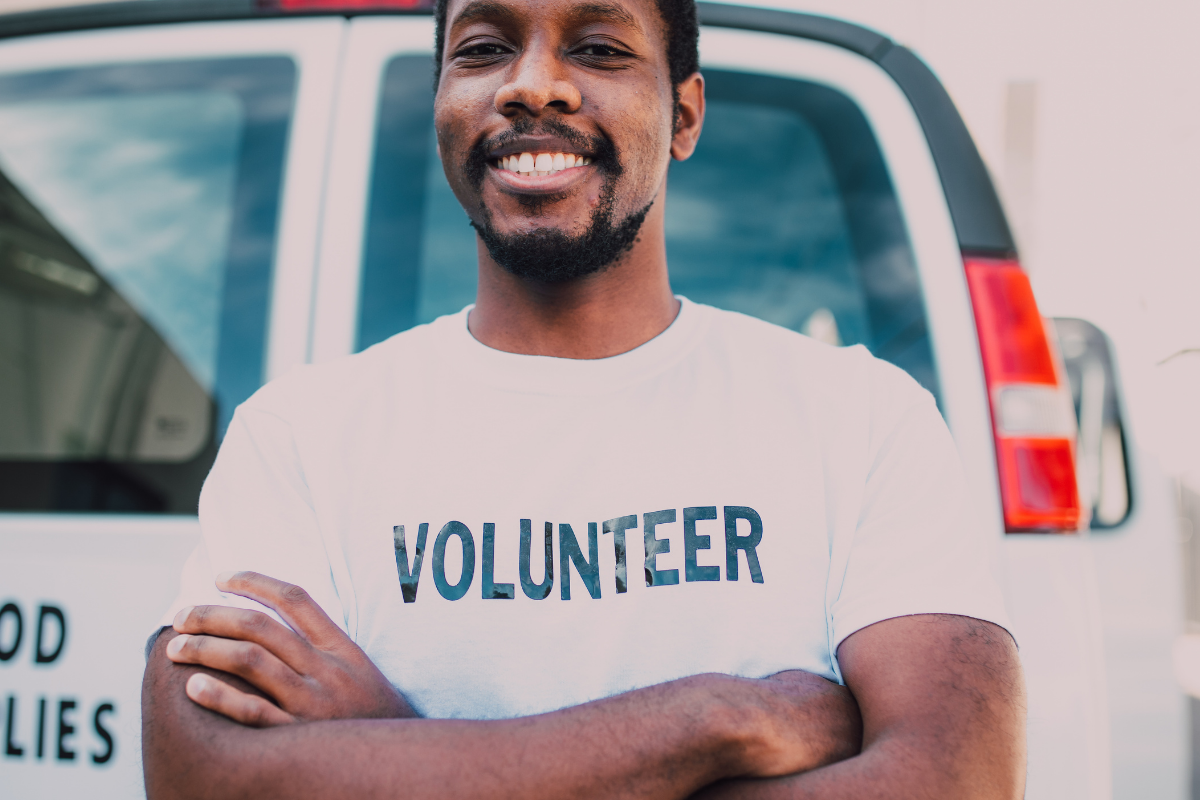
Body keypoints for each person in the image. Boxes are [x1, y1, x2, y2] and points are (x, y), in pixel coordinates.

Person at [141, 0, 1027, 796]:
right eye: (484, 47)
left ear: (683, 114)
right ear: (442, 102)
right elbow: (198, 776)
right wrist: (710, 723)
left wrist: (395, 747)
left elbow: (961, 779)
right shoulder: (299, 437)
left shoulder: (862, 420)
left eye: (600, 48)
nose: (533, 85)